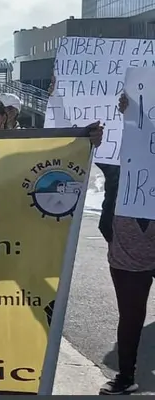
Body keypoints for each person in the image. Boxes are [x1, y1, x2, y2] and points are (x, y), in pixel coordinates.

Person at [98, 93, 145, 395]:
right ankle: (125, 376)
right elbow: (82, 144)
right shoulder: (114, 152)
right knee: (131, 316)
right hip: (127, 248)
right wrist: (60, 101)